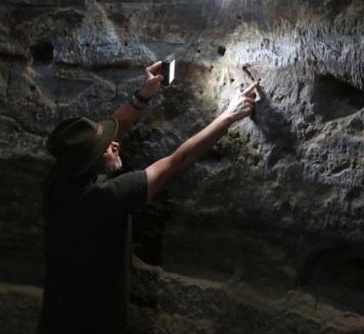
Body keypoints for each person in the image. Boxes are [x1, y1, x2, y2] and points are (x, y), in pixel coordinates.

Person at [38, 61, 258, 334]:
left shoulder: (57, 181)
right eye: (107, 149)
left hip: (55, 320)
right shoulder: (105, 198)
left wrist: (143, 95)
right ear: (90, 163)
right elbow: (178, 161)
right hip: (98, 323)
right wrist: (229, 115)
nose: (115, 143)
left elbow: (113, 130)